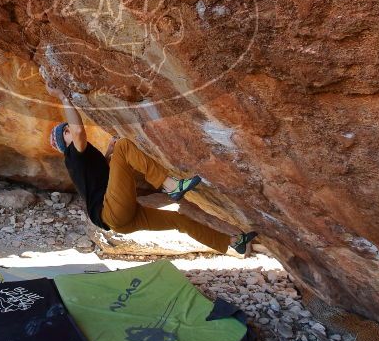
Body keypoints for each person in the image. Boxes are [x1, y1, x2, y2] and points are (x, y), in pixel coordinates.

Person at [44, 82, 257, 255]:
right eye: (65, 132)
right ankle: (171, 185)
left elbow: (102, 176)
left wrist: (108, 152)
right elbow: (79, 130)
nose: (68, 130)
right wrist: (63, 97)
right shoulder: (73, 155)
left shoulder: (83, 157)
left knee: (179, 221)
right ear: (65, 143)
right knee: (125, 146)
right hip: (112, 213)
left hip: (121, 219)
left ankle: (232, 242)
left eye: (66, 129)